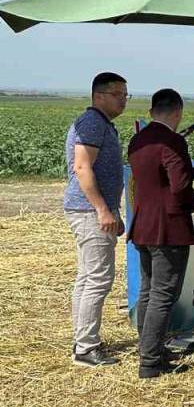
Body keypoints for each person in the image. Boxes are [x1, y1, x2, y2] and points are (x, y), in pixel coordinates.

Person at [126, 89, 194, 378]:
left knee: (150, 290)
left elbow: (155, 180)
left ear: (152, 112)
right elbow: (178, 184)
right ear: (178, 113)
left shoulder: (138, 139)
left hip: (142, 225)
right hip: (168, 228)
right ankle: (151, 360)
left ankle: (148, 348)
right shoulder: (172, 141)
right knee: (165, 293)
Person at [65, 72, 129, 367]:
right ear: (99, 95)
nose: (123, 100)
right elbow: (82, 167)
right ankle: (86, 348)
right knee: (98, 279)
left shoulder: (101, 124)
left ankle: (82, 340)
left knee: (87, 277)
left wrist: (112, 211)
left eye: (125, 95)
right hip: (91, 212)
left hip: (94, 211)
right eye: (118, 94)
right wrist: (104, 210)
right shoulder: (92, 122)